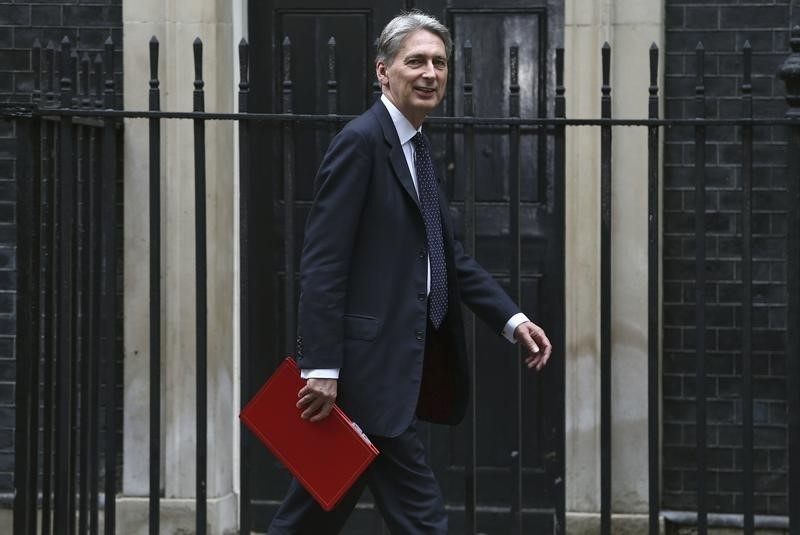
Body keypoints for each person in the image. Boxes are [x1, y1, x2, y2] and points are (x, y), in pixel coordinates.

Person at [267, 10, 552, 535]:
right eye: (416, 60)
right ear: (383, 71)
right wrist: (322, 367)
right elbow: (324, 261)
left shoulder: (415, 148)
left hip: (390, 372)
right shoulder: (361, 142)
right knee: (421, 518)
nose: (430, 73)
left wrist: (512, 320)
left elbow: (448, 258)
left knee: (309, 514)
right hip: (364, 377)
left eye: (439, 63)